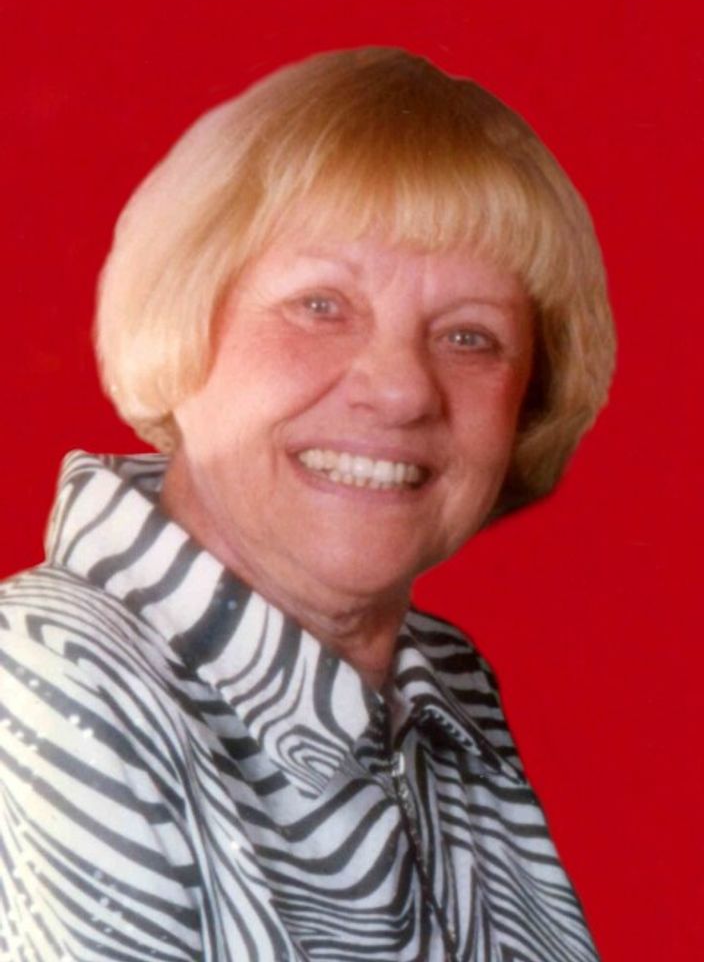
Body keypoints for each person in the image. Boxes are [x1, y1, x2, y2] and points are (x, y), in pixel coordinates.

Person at [0, 48, 614, 962]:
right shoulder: (44, 680)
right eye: (321, 305)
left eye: (469, 336)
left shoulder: (442, 685)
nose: (402, 390)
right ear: (182, 319)